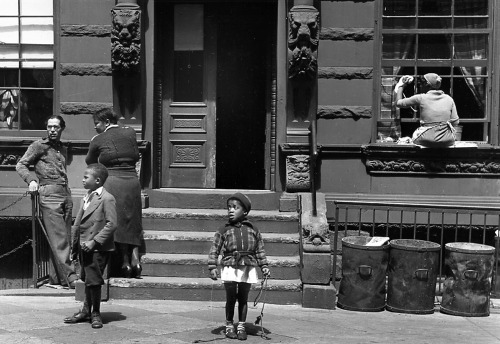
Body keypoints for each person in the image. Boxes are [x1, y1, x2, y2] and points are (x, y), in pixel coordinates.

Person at [16, 115, 77, 288]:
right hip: (49, 196)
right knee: (59, 239)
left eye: (56, 127)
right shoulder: (38, 146)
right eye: (49, 126)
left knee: (64, 237)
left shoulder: (62, 148)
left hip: (65, 194)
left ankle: (57, 277)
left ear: (61, 129)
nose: (52, 130)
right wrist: (31, 180)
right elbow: (20, 165)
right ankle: (71, 277)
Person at [85, 109, 143, 278]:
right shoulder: (131, 132)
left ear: (107, 122)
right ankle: (136, 259)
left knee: (117, 221)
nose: (95, 127)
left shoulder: (98, 139)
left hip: (113, 182)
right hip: (133, 182)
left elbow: (90, 162)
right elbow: (136, 155)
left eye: (97, 123)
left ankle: (125, 262)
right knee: (133, 219)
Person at [208, 193, 271, 341]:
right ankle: (229, 325)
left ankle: (241, 326)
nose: (231, 210)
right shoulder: (224, 229)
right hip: (230, 266)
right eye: (229, 207)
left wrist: (264, 266)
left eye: (235, 208)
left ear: (245, 212)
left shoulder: (253, 229)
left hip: (247, 266)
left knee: (243, 298)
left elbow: (259, 250)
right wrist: (212, 266)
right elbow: (214, 249)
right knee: (231, 298)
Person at [64, 163, 117, 329]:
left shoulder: (107, 198)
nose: (82, 179)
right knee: (87, 279)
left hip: (97, 247)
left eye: (86, 177)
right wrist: (75, 245)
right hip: (83, 245)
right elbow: (78, 223)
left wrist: (95, 241)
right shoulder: (87, 196)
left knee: (94, 281)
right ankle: (86, 310)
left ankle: (96, 313)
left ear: (98, 180)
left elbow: (112, 224)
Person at [395, 73, 460, 147]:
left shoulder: (421, 97)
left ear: (427, 85)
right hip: (447, 140)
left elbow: (398, 103)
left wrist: (401, 85)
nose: (419, 86)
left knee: (414, 135)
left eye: (421, 84)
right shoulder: (449, 99)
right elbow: (455, 121)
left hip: (426, 139)